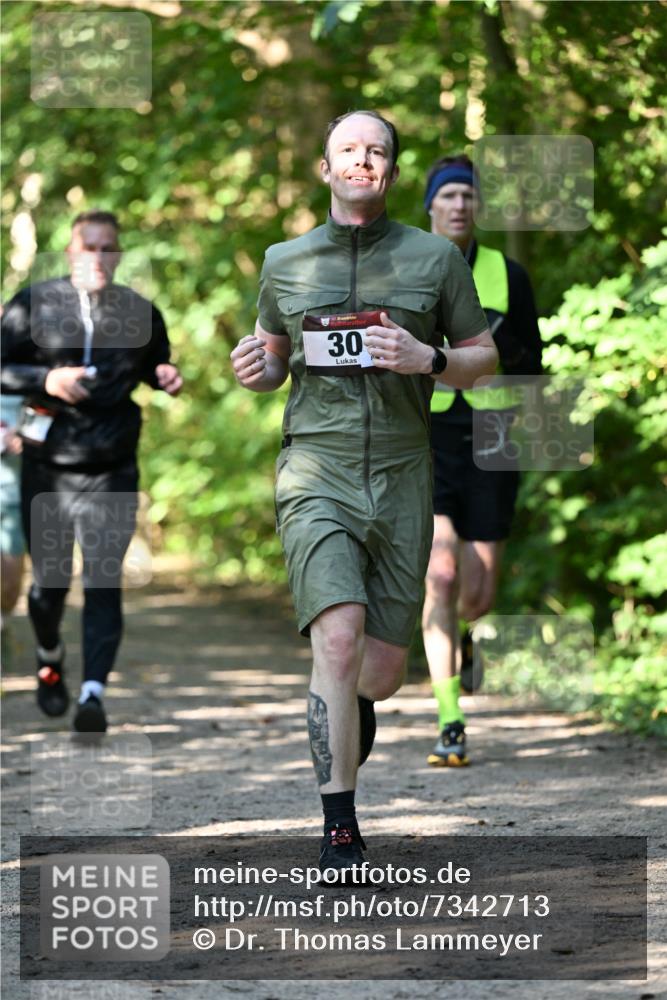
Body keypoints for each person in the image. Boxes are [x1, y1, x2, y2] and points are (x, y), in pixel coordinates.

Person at [231, 112, 497, 879]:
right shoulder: (284, 261)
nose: (362, 161)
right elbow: (274, 358)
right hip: (316, 468)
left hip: (405, 474)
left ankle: (350, 713)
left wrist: (428, 357)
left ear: (390, 171)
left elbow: (481, 358)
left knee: (378, 673)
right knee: (337, 639)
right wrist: (259, 368)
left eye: (375, 151)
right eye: (348, 149)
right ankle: (339, 831)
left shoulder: (434, 259)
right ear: (325, 168)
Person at [1, 210, 182, 732]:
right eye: (89, 247)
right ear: (71, 252)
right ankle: (50, 655)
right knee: (48, 590)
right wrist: (46, 378)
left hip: (112, 467)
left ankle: (93, 694)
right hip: (48, 466)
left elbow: (154, 364)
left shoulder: (140, 311)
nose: (99, 258)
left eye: (108, 248)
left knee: (104, 580)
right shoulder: (32, 305)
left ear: (119, 255)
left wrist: (164, 375)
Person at [421, 155, 542, 767]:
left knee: (479, 591)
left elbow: (534, 370)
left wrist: (512, 351)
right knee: (439, 574)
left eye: (469, 196)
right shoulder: (408, 268)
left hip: (495, 438)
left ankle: (466, 641)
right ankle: (449, 718)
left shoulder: (507, 274)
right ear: (431, 207)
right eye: (449, 196)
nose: (460, 205)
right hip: (428, 440)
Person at [1, 393, 26, 661]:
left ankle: (3, 623)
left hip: (14, 495)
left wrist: (25, 436)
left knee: (10, 582)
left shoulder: (27, 372)